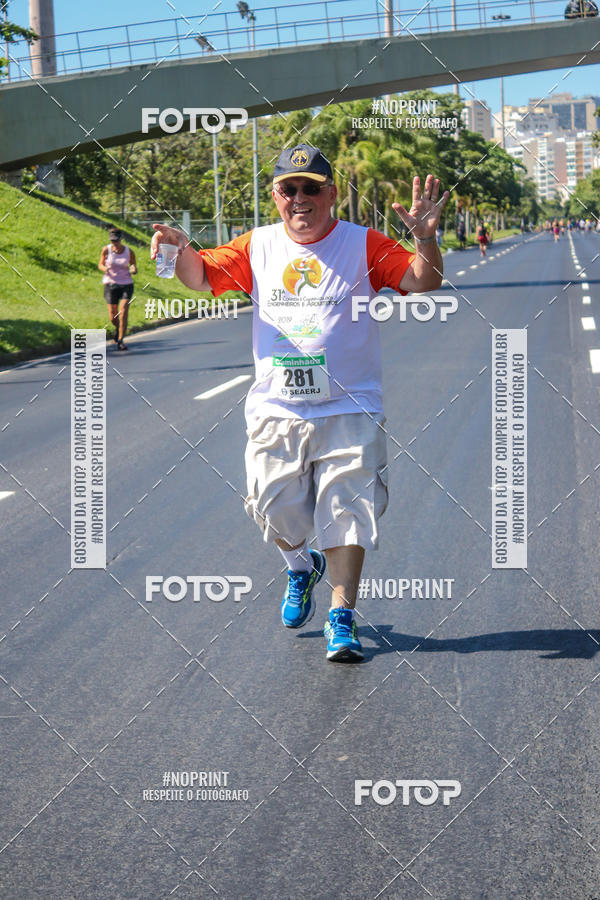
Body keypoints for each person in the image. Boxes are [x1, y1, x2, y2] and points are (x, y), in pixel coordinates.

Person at [151, 144, 448, 661]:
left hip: (349, 406)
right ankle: (299, 566)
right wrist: (178, 251)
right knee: (273, 505)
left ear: (331, 194)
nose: (300, 197)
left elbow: (423, 282)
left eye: (312, 187)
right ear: (276, 196)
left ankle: (341, 616)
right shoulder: (256, 246)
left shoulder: (363, 244)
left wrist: (425, 238)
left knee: (347, 511)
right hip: (277, 408)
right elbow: (200, 277)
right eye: (290, 188)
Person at [98, 227, 137, 350]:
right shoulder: (106, 250)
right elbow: (100, 264)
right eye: (112, 240)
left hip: (126, 284)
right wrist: (105, 269)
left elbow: (133, 264)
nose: (114, 243)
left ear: (121, 239)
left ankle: (120, 340)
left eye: (116, 240)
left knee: (123, 311)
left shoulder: (128, 251)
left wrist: (133, 269)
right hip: (110, 284)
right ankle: (119, 327)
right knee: (112, 315)